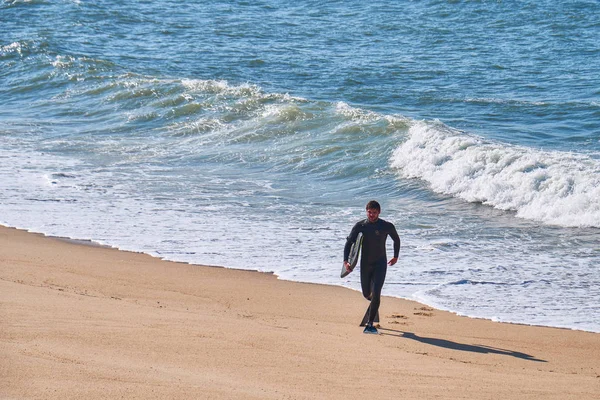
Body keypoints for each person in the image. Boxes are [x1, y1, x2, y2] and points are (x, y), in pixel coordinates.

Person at [344, 200, 400, 334]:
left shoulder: (386, 226)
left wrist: (395, 256)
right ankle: (375, 305)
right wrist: (346, 261)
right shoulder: (361, 226)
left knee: (376, 291)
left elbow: (396, 239)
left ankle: (370, 325)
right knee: (366, 293)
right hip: (365, 264)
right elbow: (349, 243)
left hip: (380, 263)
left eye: (374, 213)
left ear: (379, 212)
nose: (372, 215)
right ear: (366, 211)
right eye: (369, 212)